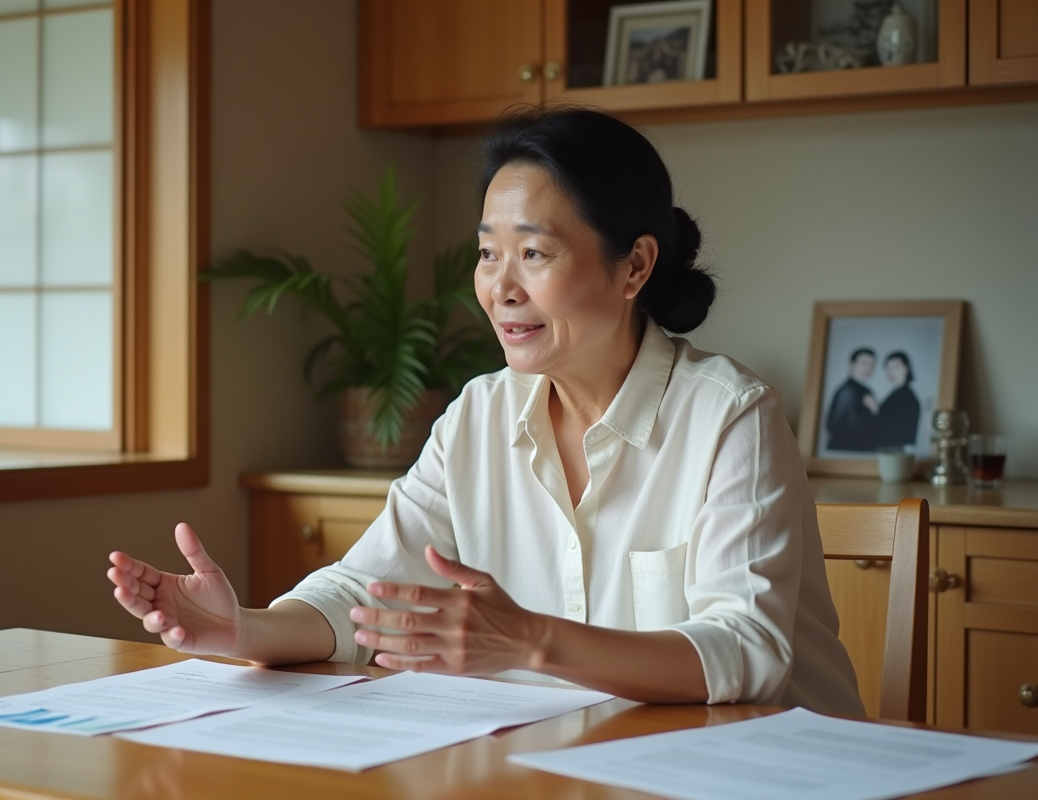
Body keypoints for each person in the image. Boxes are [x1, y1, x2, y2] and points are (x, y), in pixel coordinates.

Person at [107, 107, 863, 716]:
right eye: (487, 253)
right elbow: (364, 591)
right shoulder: (479, 415)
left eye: (533, 254)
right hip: (566, 765)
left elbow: (747, 652)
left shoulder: (731, 416)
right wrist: (243, 629)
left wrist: (530, 640)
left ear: (633, 265)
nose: (500, 288)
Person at [825, 348, 878, 452]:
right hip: (845, 451)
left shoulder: (866, 390)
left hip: (858, 450)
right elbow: (837, 427)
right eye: (864, 363)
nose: (869, 368)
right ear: (851, 365)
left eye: (872, 364)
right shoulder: (847, 391)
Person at [876, 351, 921, 450]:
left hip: (892, 449)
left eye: (896, 367)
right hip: (888, 447)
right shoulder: (897, 393)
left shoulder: (906, 396)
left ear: (906, 369)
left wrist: (874, 409)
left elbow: (891, 425)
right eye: (888, 367)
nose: (891, 371)